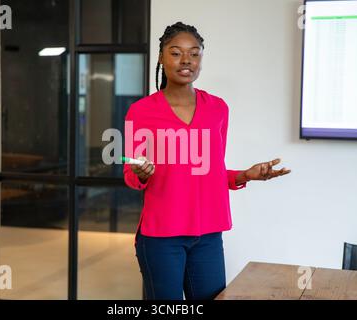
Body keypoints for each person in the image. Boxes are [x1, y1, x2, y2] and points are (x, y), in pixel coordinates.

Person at [123, 22, 291, 300]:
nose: (186, 60)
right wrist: (141, 172)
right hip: (161, 236)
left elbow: (210, 173)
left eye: (195, 53)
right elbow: (131, 175)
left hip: (208, 234)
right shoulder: (141, 111)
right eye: (176, 53)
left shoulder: (218, 109)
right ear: (161, 58)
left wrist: (246, 175)